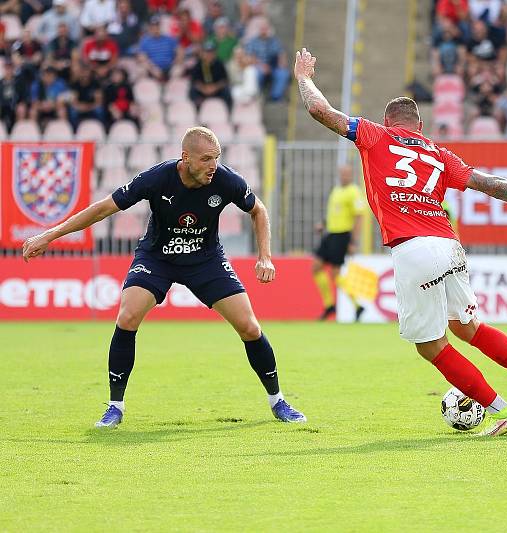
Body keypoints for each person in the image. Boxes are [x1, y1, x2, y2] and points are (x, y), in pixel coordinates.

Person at [294, 48, 507, 437]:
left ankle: (499, 411)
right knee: (469, 328)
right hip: (449, 247)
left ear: (386, 122)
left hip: (413, 250)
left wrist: (305, 77)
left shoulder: (375, 136)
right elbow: (493, 185)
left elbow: (321, 112)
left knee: (430, 346)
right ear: (420, 125)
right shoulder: (438, 153)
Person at [22, 127, 306, 428]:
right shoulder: (157, 178)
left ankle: (278, 401)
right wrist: (50, 235)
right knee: (128, 316)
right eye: (206, 159)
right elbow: (103, 208)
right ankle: (115, 406)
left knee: (249, 327)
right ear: (186, 158)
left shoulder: (226, 180)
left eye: (217, 158)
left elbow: (258, 210)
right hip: (158, 258)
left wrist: (265, 256)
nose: (213, 166)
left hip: (205, 259)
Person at [312, 164, 366, 321]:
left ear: (351, 175)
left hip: (342, 235)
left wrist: (353, 241)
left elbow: (359, 217)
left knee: (335, 274)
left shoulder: (354, 192)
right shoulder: (336, 190)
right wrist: (323, 223)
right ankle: (329, 306)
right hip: (330, 234)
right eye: (342, 174)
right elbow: (334, 213)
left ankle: (357, 306)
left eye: (347, 174)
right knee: (316, 267)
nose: (344, 176)